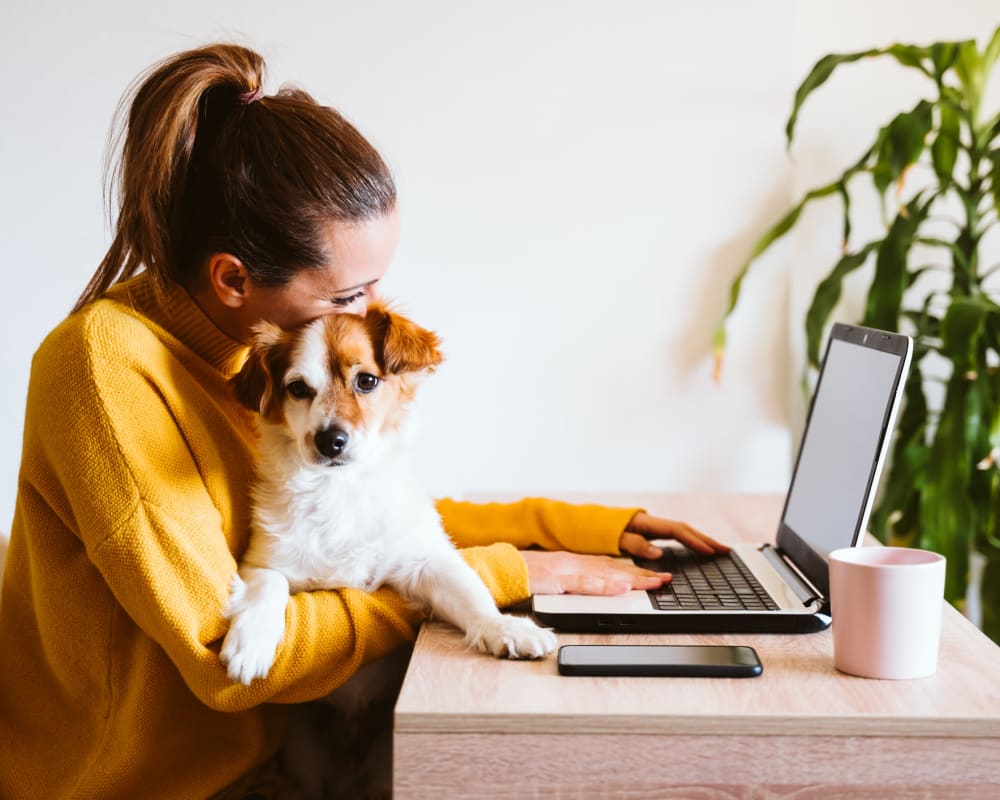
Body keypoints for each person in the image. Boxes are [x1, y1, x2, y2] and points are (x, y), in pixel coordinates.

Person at [0, 43, 727, 799]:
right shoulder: (104, 368)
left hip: (273, 763)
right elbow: (232, 659)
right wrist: (498, 576)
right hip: (151, 787)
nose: (371, 317)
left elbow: (360, 525)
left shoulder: (246, 365)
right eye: (351, 294)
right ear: (233, 280)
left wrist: (574, 528)